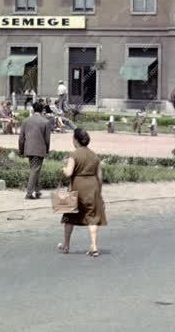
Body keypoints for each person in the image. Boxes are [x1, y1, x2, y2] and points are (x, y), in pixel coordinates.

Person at [58, 128, 107, 257]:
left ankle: (66, 245)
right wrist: (99, 193)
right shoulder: (95, 156)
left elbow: (69, 173)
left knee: (69, 217)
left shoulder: (74, 154)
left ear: (76, 140)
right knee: (92, 217)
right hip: (93, 187)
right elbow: (100, 177)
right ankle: (94, 246)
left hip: (77, 187)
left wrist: (63, 169)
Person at [18, 102, 51, 200]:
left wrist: (21, 150)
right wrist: (47, 150)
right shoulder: (45, 122)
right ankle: (29, 193)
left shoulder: (26, 121)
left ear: (33, 109)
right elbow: (47, 139)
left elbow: (21, 138)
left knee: (34, 170)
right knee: (35, 170)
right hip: (39, 149)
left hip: (28, 148)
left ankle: (37, 191)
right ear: (42, 110)